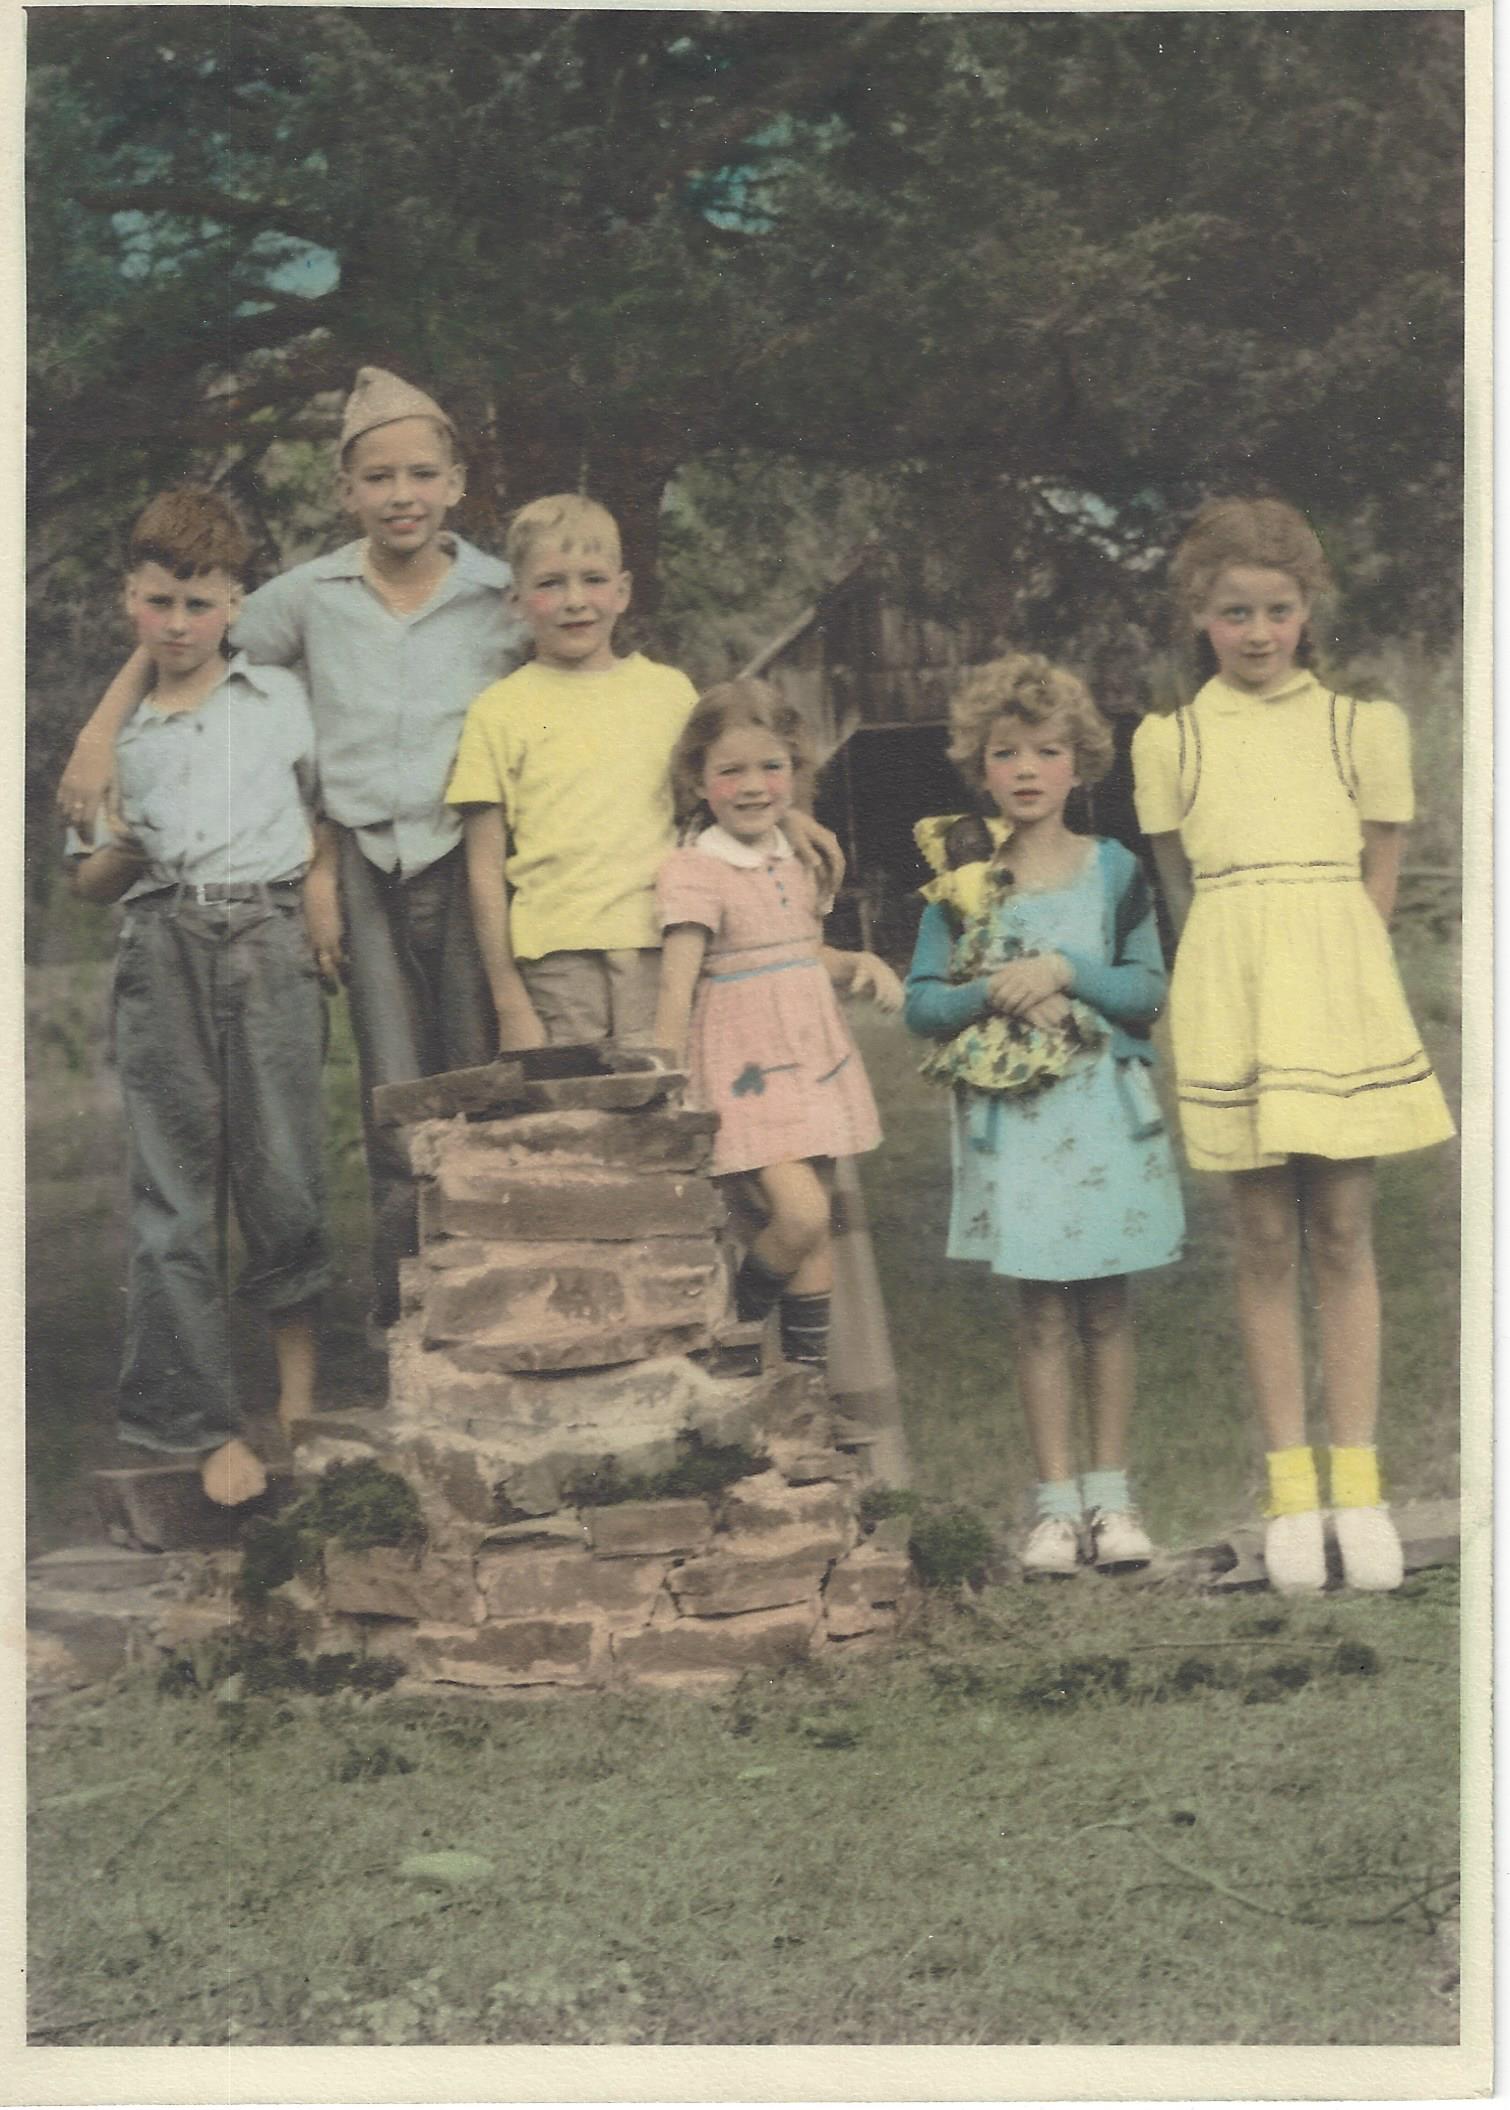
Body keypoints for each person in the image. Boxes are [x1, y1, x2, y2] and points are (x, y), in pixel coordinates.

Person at [56, 368, 526, 1329]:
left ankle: (497, 1309)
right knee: (395, 1097)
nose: (402, 496)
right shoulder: (305, 597)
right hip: (360, 868)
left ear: (456, 484)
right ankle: (411, 1328)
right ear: (344, 492)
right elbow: (179, 627)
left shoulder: (499, 595)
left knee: (484, 1086)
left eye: (422, 475)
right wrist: (98, 737)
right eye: (379, 478)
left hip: (470, 862)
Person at [1132, 497, 1454, 1595]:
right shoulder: (1169, 738)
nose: (1258, 631)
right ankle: (1290, 1490)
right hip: (1234, 977)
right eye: (1234, 612)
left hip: (1337, 979)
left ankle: (1358, 1485)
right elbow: (1184, 880)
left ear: (1306, 609)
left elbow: (1381, 861)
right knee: (1263, 1235)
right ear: (1199, 617)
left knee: (1345, 1226)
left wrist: (1347, 964)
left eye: (1276, 609)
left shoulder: (1359, 724)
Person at [65, 489, 333, 1507]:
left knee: (286, 1171)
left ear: (236, 604)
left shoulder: (277, 700)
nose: (178, 625)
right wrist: (123, 847)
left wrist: (315, 897)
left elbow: (323, 820)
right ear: (129, 599)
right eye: (159, 602)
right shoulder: (118, 737)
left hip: (264, 938)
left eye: (199, 605)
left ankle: (301, 1403)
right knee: (176, 1194)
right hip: (162, 942)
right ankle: (208, 1424)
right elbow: (86, 880)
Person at [905, 654, 1185, 1577]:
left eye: (1047, 750)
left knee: (1107, 1308)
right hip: (1016, 1126)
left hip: (1103, 1112)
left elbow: (1146, 991)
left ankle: (1112, 1498)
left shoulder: (1115, 872)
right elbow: (920, 1005)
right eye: (1005, 752)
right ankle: (1055, 1508)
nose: (1026, 769)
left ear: (1080, 764)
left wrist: (1067, 972)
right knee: (1038, 1317)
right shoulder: (965, 879)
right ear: (979, 767)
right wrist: (993, 987)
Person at [445, 495, 842, 1050]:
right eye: (551, 583)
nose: (575, 601)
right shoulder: (498, 710)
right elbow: (483, 873)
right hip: (556, 962)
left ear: (624, 591)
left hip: (666, 945)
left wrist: (790, 818)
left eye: (593, 579)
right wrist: (510, 1001)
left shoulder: (669, 693)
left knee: (668, 1115)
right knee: (574, 1123)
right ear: (515, 601)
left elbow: (728, 789)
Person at [653, 680, 902, 1376]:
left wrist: (857, 961)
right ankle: (729, 1337)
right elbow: (678, 982)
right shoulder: (696, 869)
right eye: (730, 771)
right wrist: (666, 1085)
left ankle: (802, 1389)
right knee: (799, 1218)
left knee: (814, 1230)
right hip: (745, 1068)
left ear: (795, 772)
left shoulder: (793, 858)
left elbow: (800, 953)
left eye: (770, 767)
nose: (753, 786)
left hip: (811, 1060)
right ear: (700, 781)